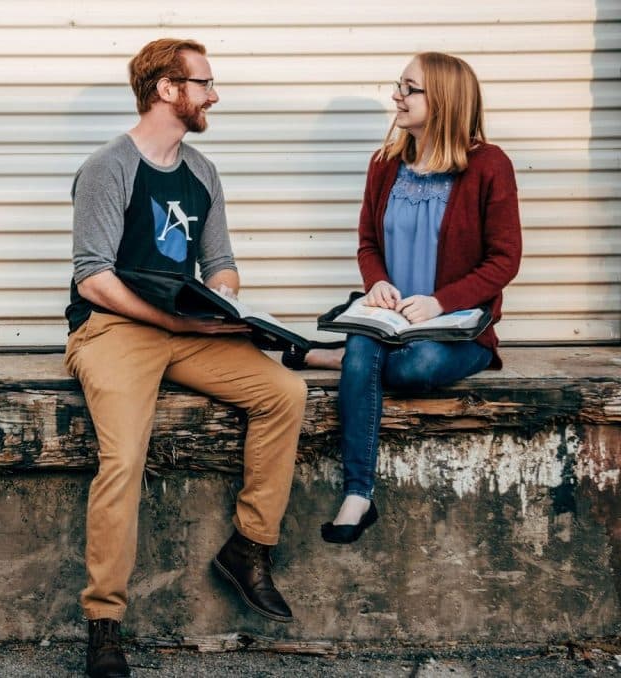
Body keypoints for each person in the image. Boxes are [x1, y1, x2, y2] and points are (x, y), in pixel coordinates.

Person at [64, 38, 308, 678]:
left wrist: (222, 300)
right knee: (124, 457)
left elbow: (219, 262)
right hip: (113, 329)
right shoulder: (109, 167)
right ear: (167, 90)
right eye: (203, 84)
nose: (213, 96)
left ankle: (249, 546)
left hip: (186, 327)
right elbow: (93, 277)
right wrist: (171, 319)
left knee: (285, 392)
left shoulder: (201, 171)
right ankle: (104, 622)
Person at [317, 52, 522, 543]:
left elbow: (504, 260)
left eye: (409, 88)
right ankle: (358, 494)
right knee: (366, 345)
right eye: (399, 85)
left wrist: (440, 302)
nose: (397, 96)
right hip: (389, 320)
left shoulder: (489, 166)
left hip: (454, 330)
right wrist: (377, 282)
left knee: (416, 367)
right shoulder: (385, 164)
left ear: (444, 99)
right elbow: (368, 243)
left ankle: (344, 362)